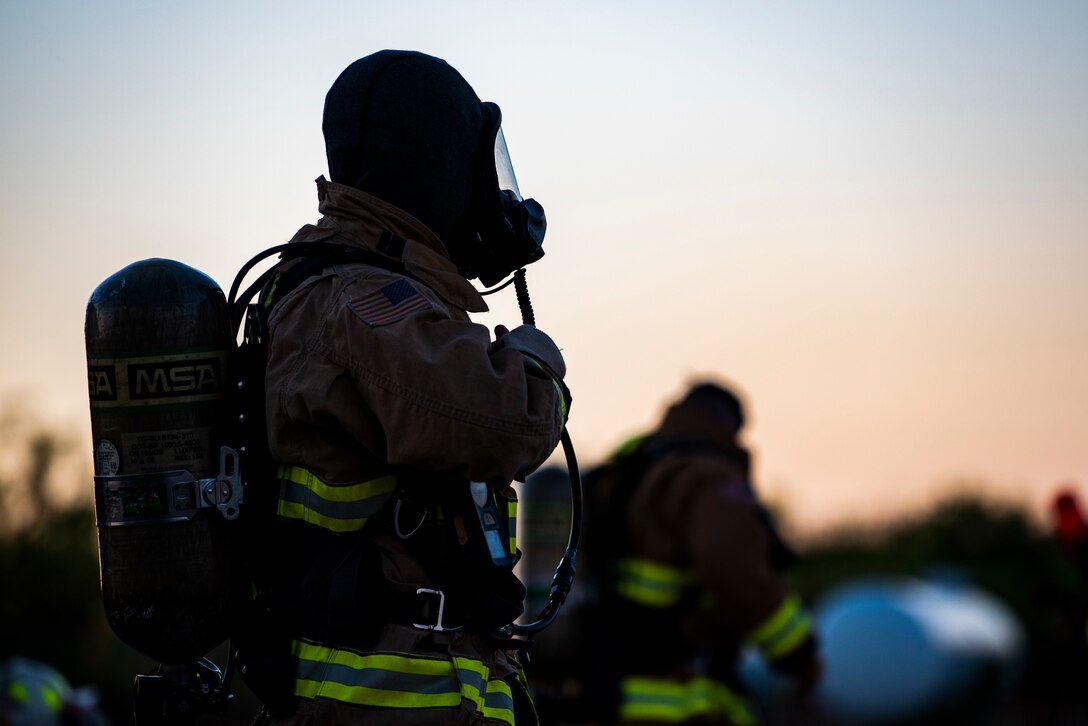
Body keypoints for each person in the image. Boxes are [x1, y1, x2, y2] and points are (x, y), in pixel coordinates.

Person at [248, 50, 570, 726]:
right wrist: (536, 357)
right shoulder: (361, 302)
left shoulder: (366, 296)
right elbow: (506, 420)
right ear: (440, 166)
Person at [582, 381, 819, 726]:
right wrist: (799, 653)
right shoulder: (710, 476)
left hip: (608, 689)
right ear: (730, 427)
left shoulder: (627, 469)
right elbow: (736, 575)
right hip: (680, 694)